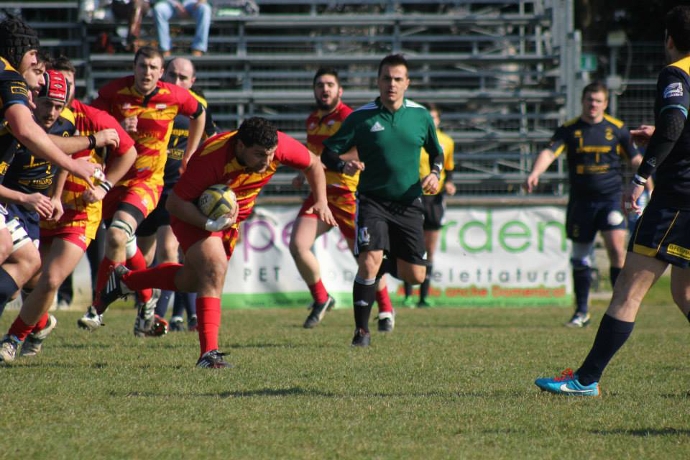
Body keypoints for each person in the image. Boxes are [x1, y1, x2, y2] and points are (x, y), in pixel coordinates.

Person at [534, 5, 690, 397]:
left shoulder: (677, 72)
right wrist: (664, 135)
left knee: (628, 289)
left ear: (668, 39)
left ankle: (585, 379)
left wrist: (640, 177)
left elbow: (675, 123)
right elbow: (677, 128)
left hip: (677, 199)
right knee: (684, 293)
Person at [100, 116, 336, 368]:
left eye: (270, 154)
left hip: (228, 222)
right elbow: (174, 204)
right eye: (259, 155)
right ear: (240, 146)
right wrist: (208, 224)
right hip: (192, 215)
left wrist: (320, 200)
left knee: (193, 281)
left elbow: (313, 164)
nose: (267, 162)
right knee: (214, 269)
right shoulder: (212, 159)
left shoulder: (278, 147)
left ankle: (126, 281)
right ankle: (208, 354)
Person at [0, 67, 136, 362]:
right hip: (28, 209)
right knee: (25, 284)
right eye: (48, 100)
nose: (52, 110)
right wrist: (91, 141)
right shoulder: (17, 117)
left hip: (78, 214)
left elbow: (128, 151)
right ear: (36, 92)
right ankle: (41, 323)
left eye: (60, 102)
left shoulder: (88, 118)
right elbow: (52, 149)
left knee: (51, 279)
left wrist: (102, 188)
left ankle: (12, 339)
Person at [77, 46, 206, 337]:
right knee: (126, 245)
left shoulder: (174, 96)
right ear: (134, 67)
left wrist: (190, 154)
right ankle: (148, 301)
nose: (146, 72)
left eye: (152, 67)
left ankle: (97, 307)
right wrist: (118, 128)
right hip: (114, 178)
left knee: (116, 236)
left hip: (147, 181)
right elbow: (91, 123)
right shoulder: (113, 93)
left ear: (161, 73)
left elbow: (200, 113)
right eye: (142, 66)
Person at [321, 54, 444, 347]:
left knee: (415, 276)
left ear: (407, 83)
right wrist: (343, 166)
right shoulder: (361, 117)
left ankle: (383, 259)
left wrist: (436, 174)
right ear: (378, 81)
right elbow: (328, 153)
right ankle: (361, 332)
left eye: (398, 79)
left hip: (409, 203)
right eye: (387, 78)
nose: (392, 84)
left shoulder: (420, 115)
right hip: (372, 201)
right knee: (368, 262)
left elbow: (436, 152)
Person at [523, 81, 643, 328]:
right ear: (583, 101)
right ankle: (582, 312)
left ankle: (618, 309)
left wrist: (649, 185)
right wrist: (535, 172)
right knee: (580, 255)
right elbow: (549, 152)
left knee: (617, 250)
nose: (593, 105)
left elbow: (636, 160)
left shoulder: (617, 129)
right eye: (590, 100)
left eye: (598, 101)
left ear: (606, 103)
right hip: (581, 202)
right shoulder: (570, 129)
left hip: (610, 199)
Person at [289, 67, 396, 331]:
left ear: (340, 90)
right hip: (320, 194)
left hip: (348, 195)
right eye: (320, 85)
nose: (324, 89)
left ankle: (385, 310)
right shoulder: (312, 119)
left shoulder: (350, 117)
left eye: (330, 85)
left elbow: (360, 151)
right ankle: (322, 298)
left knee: (366, 259)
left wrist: (342, 164)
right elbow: (314, 156)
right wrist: (305, 176)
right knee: (297, 245)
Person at [136, 56, 218, 332]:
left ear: (192, 82)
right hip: (145, 185)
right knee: (140, 258)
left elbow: (215, 145)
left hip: (176, 191)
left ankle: (160, 316)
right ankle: (146, 311)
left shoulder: (198, 110)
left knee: (169, 249)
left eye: (184, 77)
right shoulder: (147, 102)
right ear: (161, 74)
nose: (177, 81)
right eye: (172, 74)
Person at [402, 103, 456, 308]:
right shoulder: (413, 138)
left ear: (439, 120)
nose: (431, 121)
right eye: (428, 118)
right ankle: (407, 295)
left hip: (434, 199)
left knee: (429, 249)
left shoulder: (447, 142)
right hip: (412, 196)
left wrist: (449, 183)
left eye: (434, 118)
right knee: (409, 247)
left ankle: (423, 296)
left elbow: (449, 168)